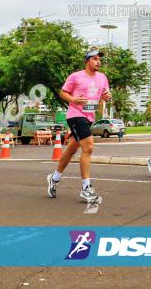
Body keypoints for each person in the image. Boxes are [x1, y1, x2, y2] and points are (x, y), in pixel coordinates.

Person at [46, 50, 112, 203]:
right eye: (95, 59)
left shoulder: (102, 78)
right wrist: (74, 99)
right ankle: (86, 188)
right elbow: (63, 93)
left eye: (99, 59)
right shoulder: (76, 76)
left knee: (71, 150)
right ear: (87, 61)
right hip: (75, 115)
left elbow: (106, 95)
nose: (98, 62)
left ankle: (54, 178)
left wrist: (107, 97)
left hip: (89, 117)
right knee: (88, 147)